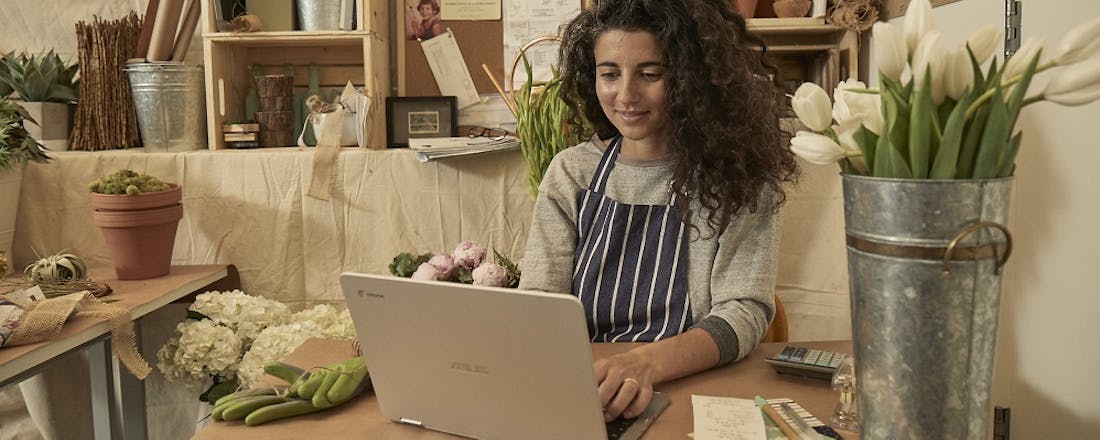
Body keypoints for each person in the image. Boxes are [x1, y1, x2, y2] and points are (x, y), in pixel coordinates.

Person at [518, 0, 798, 423]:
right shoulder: (571, 173)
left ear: (692, 78)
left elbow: (744, 310)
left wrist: (645, 364)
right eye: (610, 74)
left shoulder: (738, 178)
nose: (626, 95)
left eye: (651, 74)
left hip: (695, 385)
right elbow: (540, 301)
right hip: (590, 387)